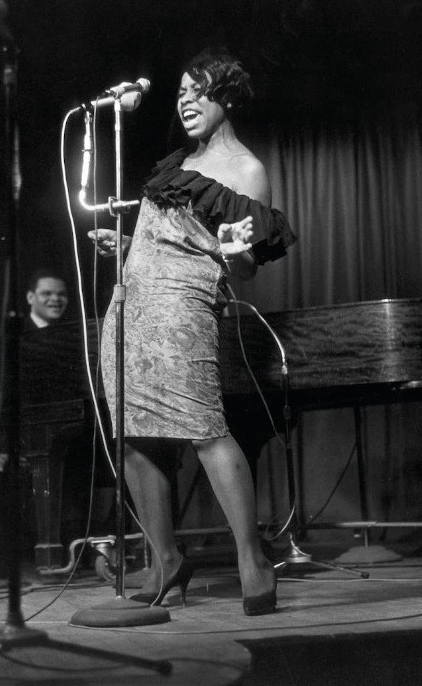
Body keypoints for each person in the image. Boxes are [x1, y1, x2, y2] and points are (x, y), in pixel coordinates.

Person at [89, 48, 296, 615]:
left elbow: (246, 263)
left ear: (225, 96)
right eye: (179, 91)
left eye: (196, 89)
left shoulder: (246, 170)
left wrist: (236, 251)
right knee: (131, 433)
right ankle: (165, 560)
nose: (184, 100)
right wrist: (128, 246)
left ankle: (251, 558)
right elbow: (170, 241)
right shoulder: (177, 162)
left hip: (183, 310)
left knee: (205, 428)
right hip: (129, 308)